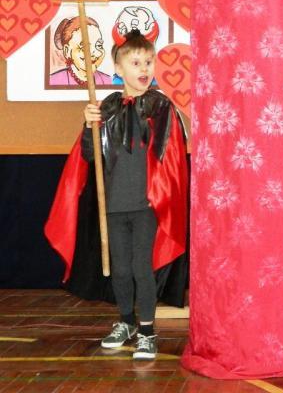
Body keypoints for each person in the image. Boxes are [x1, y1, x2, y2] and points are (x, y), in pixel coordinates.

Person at [45, 27, 188, 361]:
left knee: (141, 268)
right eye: (136, 63)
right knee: (120, 270)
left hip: (146, 205)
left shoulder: (160, 107)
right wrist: (89, 125)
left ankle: (147, 331)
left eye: (148, 62)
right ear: (118, 68)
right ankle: (126, 322)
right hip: (113, 205)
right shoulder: (107, 107)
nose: (144, 69)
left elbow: (171, 154)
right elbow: (90, 155)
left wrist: (159, 195)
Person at [49, 16, 112, 86]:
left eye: (99, 45)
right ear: (67, 51)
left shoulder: (109, 81)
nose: (96, 53)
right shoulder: (54, 81)